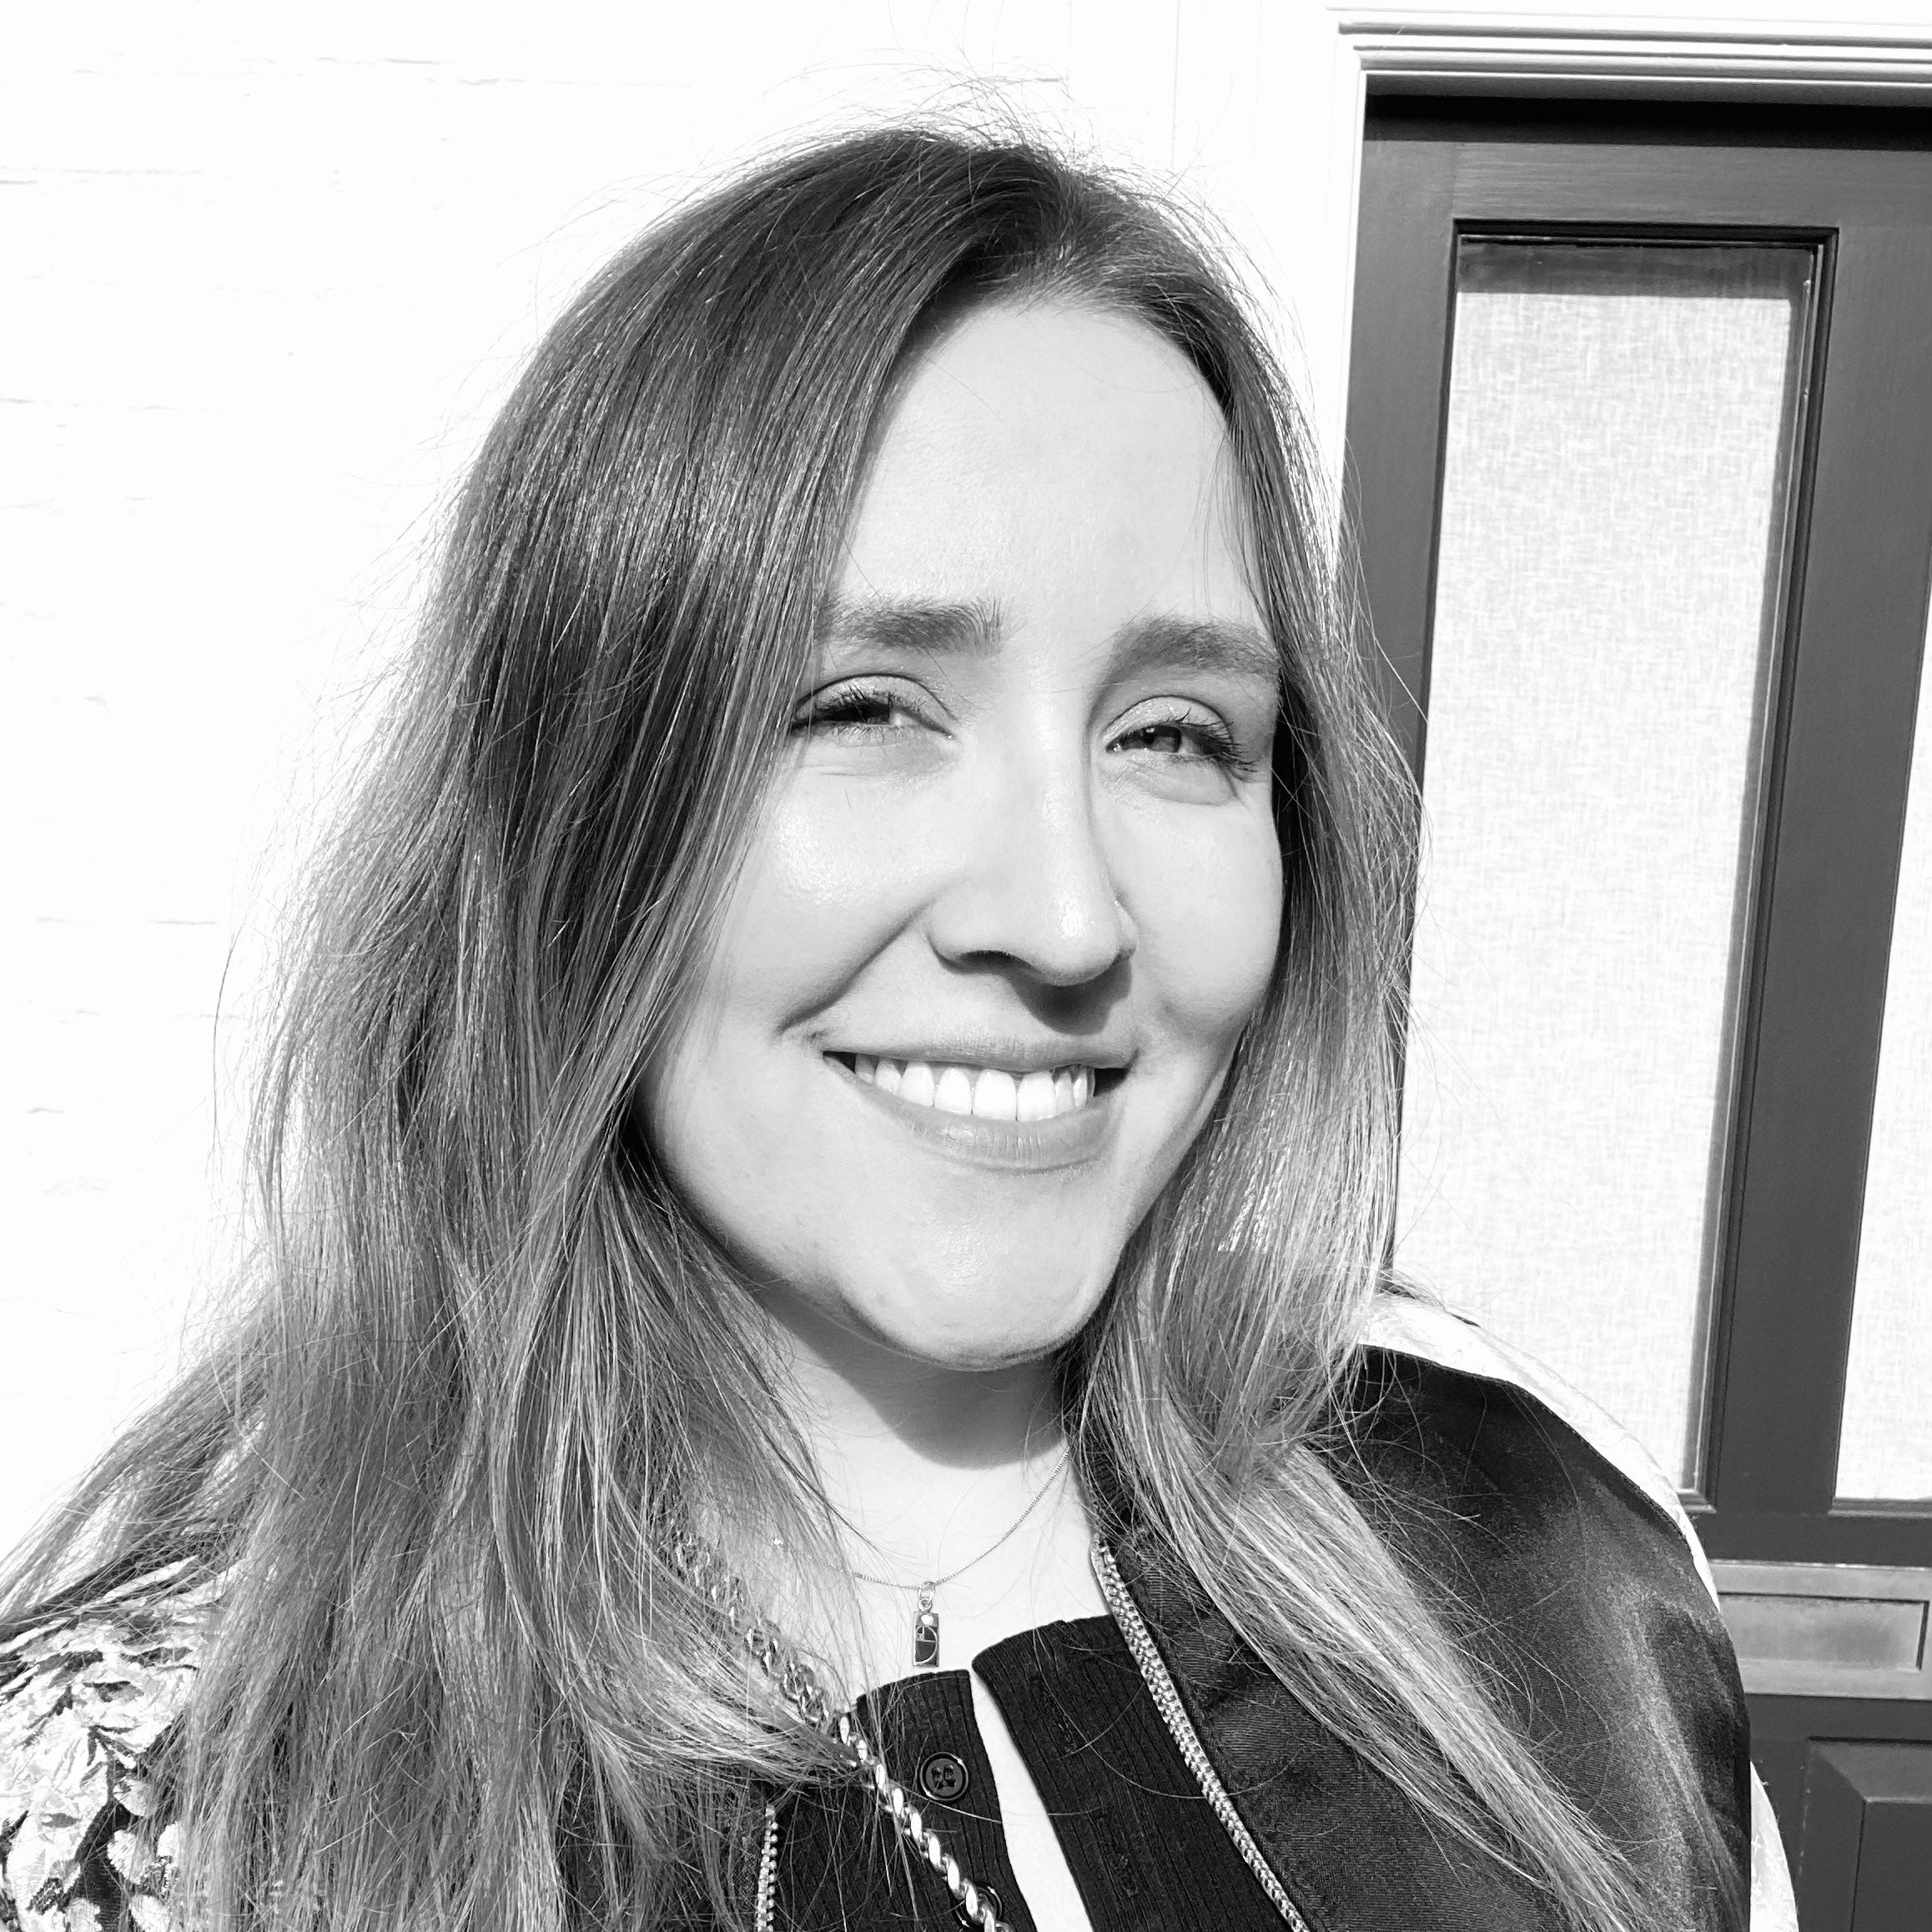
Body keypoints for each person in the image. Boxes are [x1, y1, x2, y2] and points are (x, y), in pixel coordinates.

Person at [0, 123, 1792, 1932]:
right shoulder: (162, 1806)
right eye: (865, 708)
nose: (1068, 919)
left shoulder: (1551, 1554)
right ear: (570, 808)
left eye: (1177, 734)